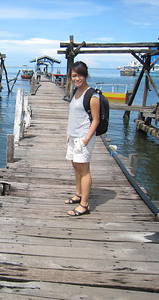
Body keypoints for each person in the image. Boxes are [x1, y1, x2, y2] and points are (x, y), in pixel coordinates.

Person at [65, 61, 100, 216]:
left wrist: (86, 139)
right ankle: (79, 194)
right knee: (76, 167)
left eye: (80, 75)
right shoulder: (76, 91)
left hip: (83, 138)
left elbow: (96, 120)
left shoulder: (92, 95)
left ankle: (84, 205)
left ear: (85, 75)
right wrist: (69, 133)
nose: (77, 78)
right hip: (73, 136)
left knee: (84, 170)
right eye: (74, 75)